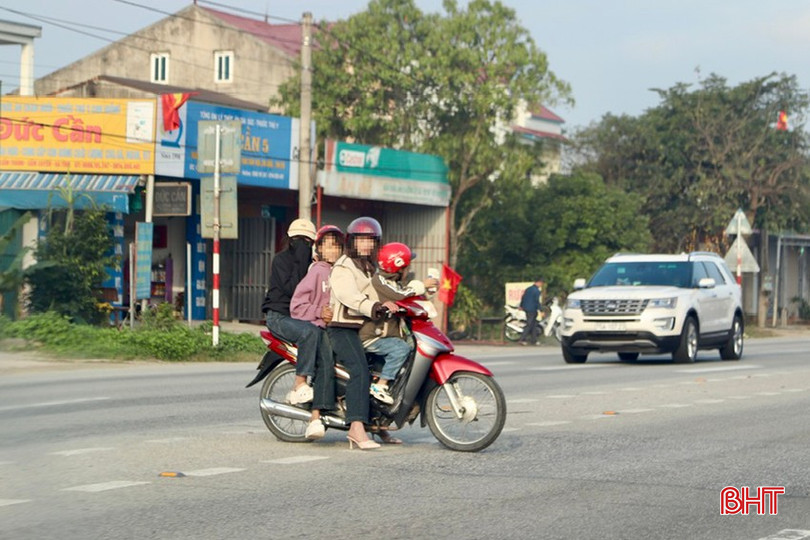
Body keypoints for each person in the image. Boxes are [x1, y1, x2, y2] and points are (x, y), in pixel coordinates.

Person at [327, 216, 389, 450]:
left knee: (382, 370)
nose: (366, 245)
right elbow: (348, 295)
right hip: (342, 328)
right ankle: (355, 427)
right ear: (352, 241)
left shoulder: (368, 267)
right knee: (360, 370)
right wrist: (372, 307)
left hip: (361, 328)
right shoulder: (344, 266)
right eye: (361, 240)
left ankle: (379, 426)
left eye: (370, 240)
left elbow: (380, 292)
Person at [361, 242, 438, 406]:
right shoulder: (379, 281)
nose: (409, 270)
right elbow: (400, 297)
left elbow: (407, 298)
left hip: (389, 333)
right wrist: (421, 285)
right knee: (401, 349)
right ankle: (380, 386)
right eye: (407, 267)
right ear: (398, 267)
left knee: (413, 348)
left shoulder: (394, 282)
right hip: (373, 335)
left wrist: (427, 295)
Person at [261, 218, 327, 406]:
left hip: (301, 316)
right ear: (290, 239)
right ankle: (299, 384)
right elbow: (293, 290)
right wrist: (302, 263)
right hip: (279, 316)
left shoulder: (313, 264)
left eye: (307, 242)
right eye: (299, 240)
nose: (302, 245)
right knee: (310, 333)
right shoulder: (281, 260)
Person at [289, 225, 344, 440]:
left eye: (337, 246)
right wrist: (319, 312)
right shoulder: (318, 272)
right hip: (319, 328)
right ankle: (315, 417)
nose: (333, 251)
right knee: (326, 362)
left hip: (341, 328)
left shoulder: (342, 272)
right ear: (318, 248)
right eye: (328, 246)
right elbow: (297, 305)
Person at [518, 279, 543, 346]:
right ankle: (522, 339)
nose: (541, 285)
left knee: (534, 324)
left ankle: (534, 340)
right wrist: (541, 310)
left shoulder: (528, 289)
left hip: (526, 308)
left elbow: (523, 297)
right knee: (529, 324)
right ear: (538, 282)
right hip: (532, 309)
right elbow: (537, 301)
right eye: (541, 283)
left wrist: (521, 305)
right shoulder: (537, 291)